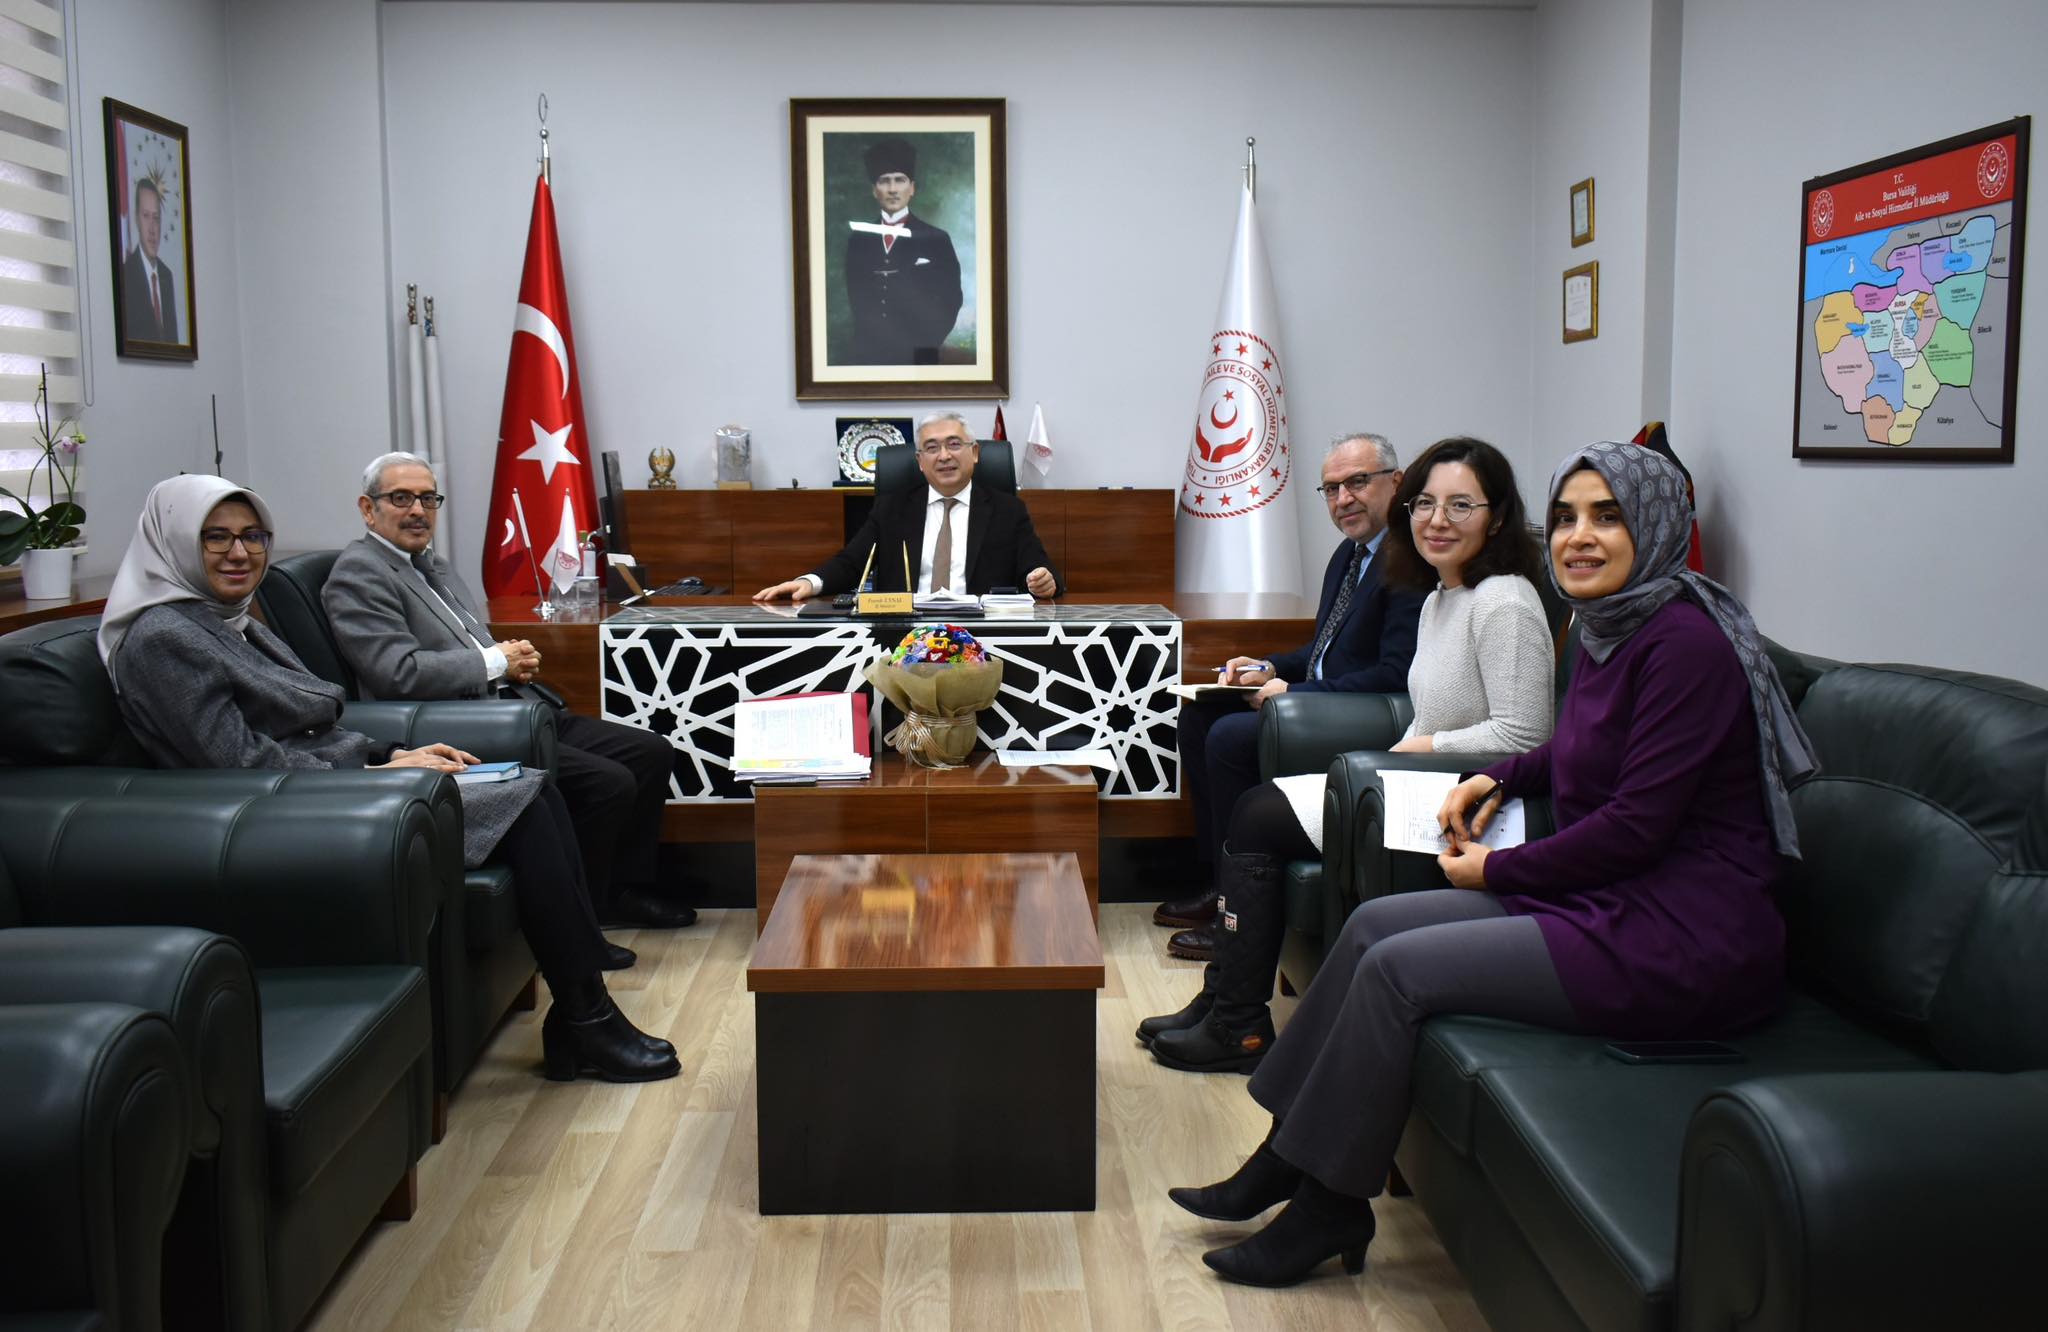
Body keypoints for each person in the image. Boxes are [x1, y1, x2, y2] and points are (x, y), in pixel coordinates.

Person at [1166, 440, 1817, 1287]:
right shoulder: (1610, 626)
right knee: (1369, 928)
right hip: (1608, 899)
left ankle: (1328, 1205)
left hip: (1678, 934)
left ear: (1658, 526)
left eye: (1608, 517)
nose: (1580, 538)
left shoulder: (1683, 647)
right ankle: (1285, 1158)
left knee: (1398, 970)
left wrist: (1498, 874)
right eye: (1572, 517)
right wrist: (1494, 773)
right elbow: (1564, 752)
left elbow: (1635, 828)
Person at [99, 475, 679, 1085]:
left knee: (534, 788)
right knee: (527, 807)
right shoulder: (164, 638)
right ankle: (587, 1020)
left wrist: (398, 750)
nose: (239, 553)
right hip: (292, 811)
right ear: (173, 542)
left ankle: (580, 1015)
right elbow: (240, 765)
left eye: (252, 536)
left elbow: (317, 720)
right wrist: (375, 768)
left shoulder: (229, 619)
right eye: (215, 538)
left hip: (334, 779)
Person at [1143, 436, 1554, 1072]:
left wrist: (1422, 747)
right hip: (1420, 776)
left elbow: (1528, 736)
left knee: (1255, 814)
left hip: (1471, 805)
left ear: (1496, 516)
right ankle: (1228, 1003)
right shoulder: (1444, 594)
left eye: (1460, 506)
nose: (1437, 521)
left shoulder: (1505, 601)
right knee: (1253, 809)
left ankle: (1237, 1020)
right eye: (1426, 505)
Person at [323, 453, 694, 932]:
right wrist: (497, 661)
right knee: (609, 782)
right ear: (368, 509)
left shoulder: (430, 565)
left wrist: (508, 665)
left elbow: (469, 646)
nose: (417, 510)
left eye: (427, 498)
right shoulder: (360, 572)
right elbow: (397, 672)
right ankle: (582, 915)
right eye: (400, 498)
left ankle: (621, 891)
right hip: (458, 727)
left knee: (649, 751)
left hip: (513, 707)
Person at [1158, 432, 1426, 956]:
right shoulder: (1350, 556)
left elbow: (1398, 676)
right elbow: (1325, 647)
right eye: (1330, 489)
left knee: (1232, 737)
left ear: (1396, 483)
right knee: (1198, 720)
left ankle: (1240, 911)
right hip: (1326, 699)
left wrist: (1298, 693)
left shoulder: (1409, 560)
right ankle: (1220, 885)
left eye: (1356, 483)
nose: (1343, 499)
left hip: (1369, 719)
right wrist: (1267, 667)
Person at [752, 411, 1061, 601]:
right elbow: (851, 562)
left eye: (954, 444)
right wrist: (808, 582)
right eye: (931, 448)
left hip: (981, 639)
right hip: (905, 639)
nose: (944, 456)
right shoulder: (893, 509)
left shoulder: (1008, 511)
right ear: (919, 462)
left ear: (975, 452)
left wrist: (1043, 582)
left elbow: (1041, 571)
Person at [842, 137, 963, 365]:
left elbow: (951, 299)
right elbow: (857, 299)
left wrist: (925, 343)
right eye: (884, 181)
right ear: (874, 190)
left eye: (900, 180)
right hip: (870, 355)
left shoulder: (936, 239)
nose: (892, 189)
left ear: (912, 189)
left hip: (920, 354)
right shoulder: (858, 241)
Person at [122, 177, 179, 344]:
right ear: (137, 220)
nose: (152, 229)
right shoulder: (127, 274)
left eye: (156, 217)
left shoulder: (166, 275)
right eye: (146, 216)